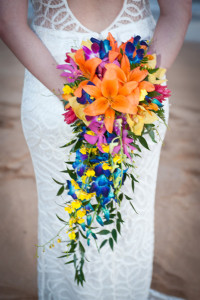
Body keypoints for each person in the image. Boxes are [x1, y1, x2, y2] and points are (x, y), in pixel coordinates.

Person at [0, 1, 192, 299]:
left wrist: (77, 97)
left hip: (54, 75)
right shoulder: (137, 86)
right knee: (129, 216)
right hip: (137, 77)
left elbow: (8, 21)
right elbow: (178, 12)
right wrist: (138, 86)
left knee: (69, 216)